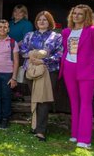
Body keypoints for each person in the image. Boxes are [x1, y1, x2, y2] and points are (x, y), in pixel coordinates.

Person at [60, 5, 94, 149]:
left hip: (87, 69)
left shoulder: (92, 31)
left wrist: (86, 63)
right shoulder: (66, 32)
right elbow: (65, 49)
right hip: (69, 68)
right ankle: (75, 134)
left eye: (80, 14)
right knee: (74, 102)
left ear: (86, 16)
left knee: (85, 103)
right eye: (74, 13)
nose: (76, 16)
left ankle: (85, 139)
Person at [20, 11, 63, 142]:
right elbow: (23, 50)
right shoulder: (29, 35)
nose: (42, 22)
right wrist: (32, 56)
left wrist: (44, 61)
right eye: (39, 20)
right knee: (35, 98)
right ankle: (34, 126)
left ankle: (41, 130)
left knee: (43, 100)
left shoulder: (56, 36)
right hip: (32, 70)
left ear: (50, 22)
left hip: (48, 71)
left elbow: (60, 54)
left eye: (45, 20)